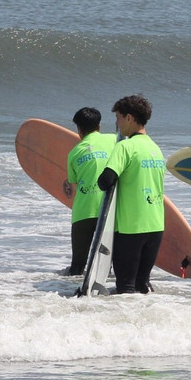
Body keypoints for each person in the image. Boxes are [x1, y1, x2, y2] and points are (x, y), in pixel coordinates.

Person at [96, 95, 165, 294]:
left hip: (131, 228)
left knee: (126, 289)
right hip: (156, 226)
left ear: (129, 118)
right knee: (142, 285)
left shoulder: (125, 146)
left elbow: (105, 180)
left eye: (118, 118)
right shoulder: (155, 149)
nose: (117, 124)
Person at [62, 107, 117, 275]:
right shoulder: (115, 141)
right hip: (110, 210)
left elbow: (73, 183)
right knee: (107, 265)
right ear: (99, 125)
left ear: (79, 129)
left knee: (77, 265)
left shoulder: (74, 153)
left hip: (83, 212)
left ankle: (72, 297)